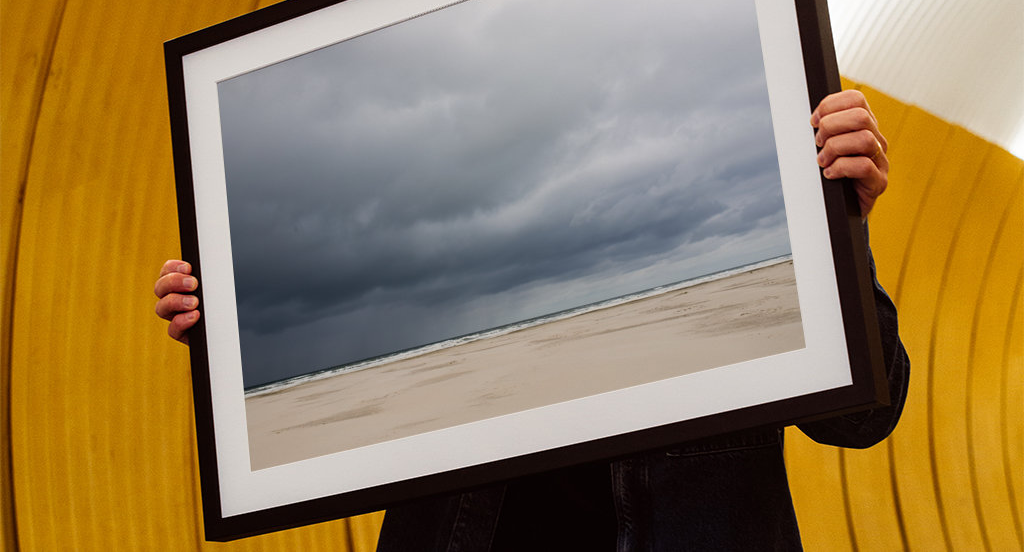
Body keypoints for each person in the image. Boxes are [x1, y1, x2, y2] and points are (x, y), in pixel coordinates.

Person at [154, 89, 909, 551]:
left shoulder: (763, 183)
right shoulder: (418, 274)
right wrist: (236, 335)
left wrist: (840, 226)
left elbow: (864, 417)